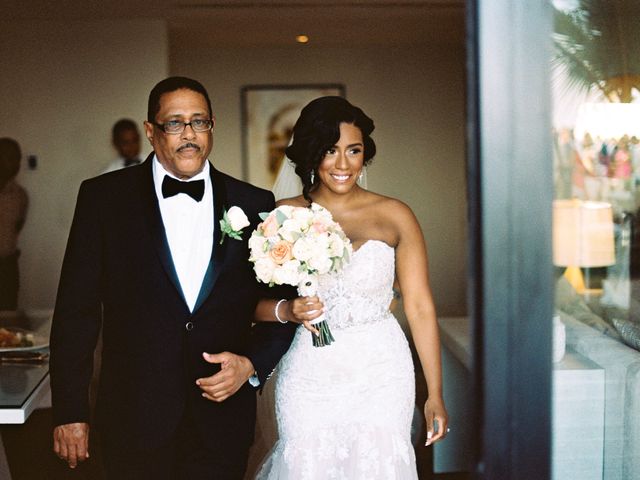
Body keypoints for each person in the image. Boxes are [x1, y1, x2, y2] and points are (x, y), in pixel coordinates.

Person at [50, 76, 296, 479]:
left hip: (221, 418)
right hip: (133, 416)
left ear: (211, 127)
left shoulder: (254, 204)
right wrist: (70, 411)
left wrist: (252, 364)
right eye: (174, 123)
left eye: (199, 122)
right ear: (151, 131)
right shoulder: (103, 198)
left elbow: (283, 308)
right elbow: (76, 312)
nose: (189, 135)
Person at [254, 96, 449, 479]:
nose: (343, 164)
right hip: (310, 370)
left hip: (381, 370)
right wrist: (289, 311)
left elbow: (420, 306)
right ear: (311, 154)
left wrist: (435, 394)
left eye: (354, 150)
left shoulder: (396, 215)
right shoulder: (282, 217)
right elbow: (248, 306)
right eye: (330, 150)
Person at [0, 138, 28, 311]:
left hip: (8, 268)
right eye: (10, 157)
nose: (16, 163)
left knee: (8, 320)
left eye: (18, 158)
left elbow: (18, 226)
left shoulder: (20, 195)